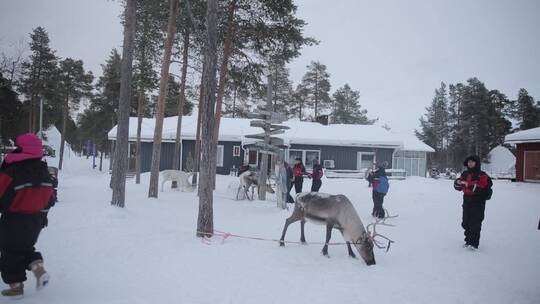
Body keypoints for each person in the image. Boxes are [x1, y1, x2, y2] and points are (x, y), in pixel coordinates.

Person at [0, 134, 55, 298]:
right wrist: (44, 216)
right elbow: (50, 199)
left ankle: (16, 288)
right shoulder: (43, 171)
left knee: (10, 251)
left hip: (14, 219)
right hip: (36, 220)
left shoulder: (13, 171)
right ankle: (38, 268)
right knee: (23, 247)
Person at [453, 155, 492, 250]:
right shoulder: (465, 174)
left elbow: (486, 189)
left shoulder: (482, 175)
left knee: (475, 222)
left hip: (478, 201)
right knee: (466, 222)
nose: (470, 164)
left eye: (472, 162)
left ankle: (473, 244)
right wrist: (457, 183)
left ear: (476, 163)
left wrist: (472, 187)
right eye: (469, 162)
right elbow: (459, 186)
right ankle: (467, 241)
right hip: (466, 200)